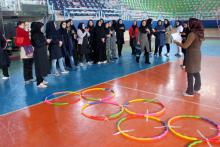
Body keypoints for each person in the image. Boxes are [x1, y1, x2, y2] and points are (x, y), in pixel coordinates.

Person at [174, 18, 204, 97]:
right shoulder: (200, 33)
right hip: (197, 54)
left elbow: (185, 46)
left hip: (192, 55)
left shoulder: (192, 34)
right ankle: (197, 87)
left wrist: (177, 42)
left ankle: (190, 92)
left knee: (190, 73)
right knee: (196, 71)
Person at [31, 22, 50, 88]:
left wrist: (46, 42)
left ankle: (41, 80)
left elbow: (42, 42)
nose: (42, 28)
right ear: (38, 27)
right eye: (41, 27)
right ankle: (39, 83)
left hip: (42, 52)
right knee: (39, 67)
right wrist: (46, 41)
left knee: (42, 66)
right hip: (39, 53)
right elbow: (38, 44)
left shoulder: (40, 34)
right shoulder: (35, 34)